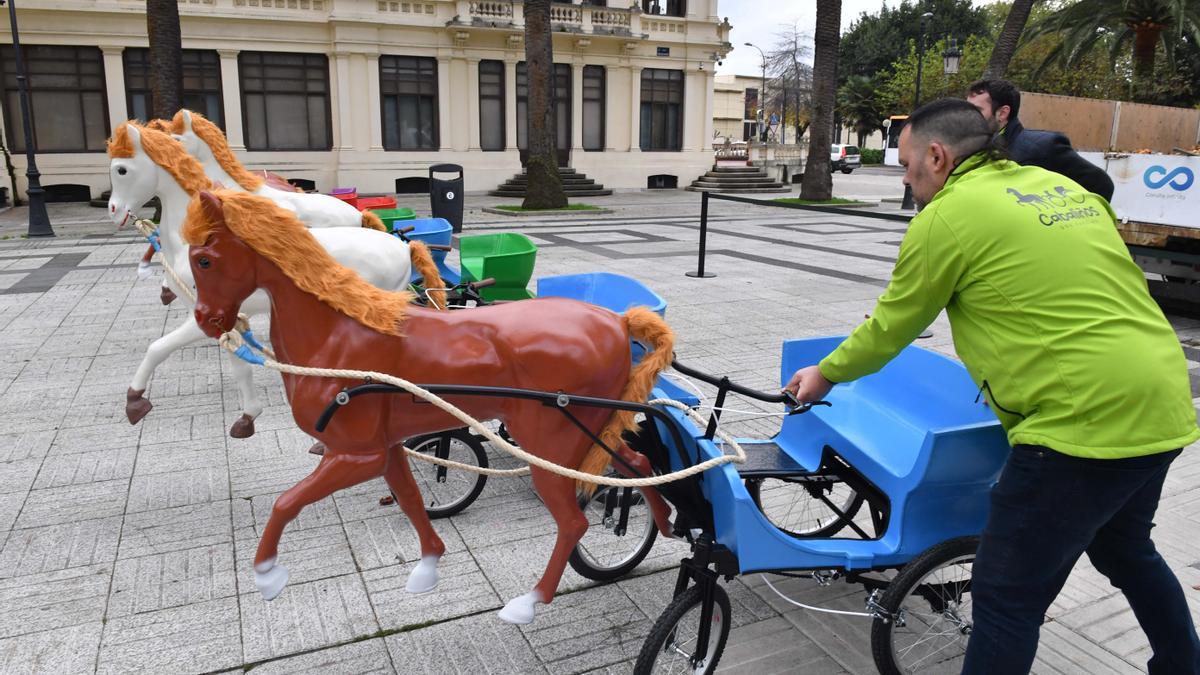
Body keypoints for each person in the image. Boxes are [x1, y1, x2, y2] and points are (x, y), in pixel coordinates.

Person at [785, 98, 1200, 673]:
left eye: (907, 166)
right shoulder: (1062, 190)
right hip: (1163, 400)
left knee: (1005, 595)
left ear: (937, 155)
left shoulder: (947, 217)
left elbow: (893, 325)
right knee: (1125, 549)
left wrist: (824, 372)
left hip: (1077, 426)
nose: (907, 180)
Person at [967, 78, 1114, 201]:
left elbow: (1102, 185)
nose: (967, 115)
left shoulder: (1042, 147)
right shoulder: (975, 148)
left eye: (976, 110)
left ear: (1003, 113)